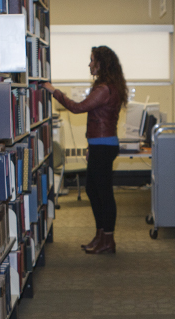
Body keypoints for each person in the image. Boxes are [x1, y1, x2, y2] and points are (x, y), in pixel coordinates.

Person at [42, 46, 127, 254]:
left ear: (101, 64)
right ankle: (101, 236)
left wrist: (54, 91)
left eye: (92, 61)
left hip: (104, 146)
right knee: (93, 190)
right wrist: (91, 146)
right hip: (101, 144)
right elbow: (101, 119)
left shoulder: (104, 88)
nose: (89, 65)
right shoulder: (109, 86)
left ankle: (107, 239)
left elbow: (78, 108)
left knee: (103, 193)